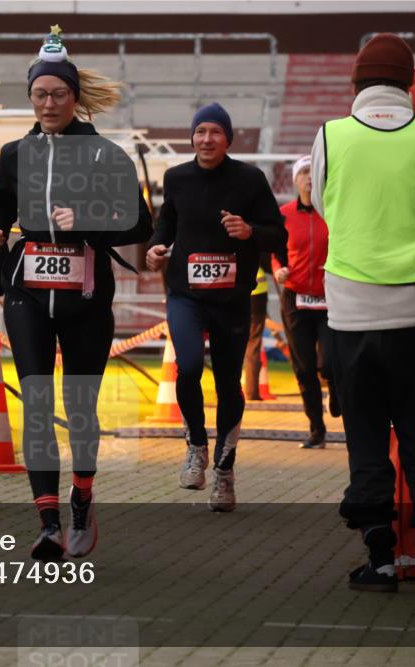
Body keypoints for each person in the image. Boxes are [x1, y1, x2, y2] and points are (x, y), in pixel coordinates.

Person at [0, 26, 152, 560]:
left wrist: (89, 218)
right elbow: (0, 203)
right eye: (40, 94)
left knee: (79, 407)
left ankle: (82, 497)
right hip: (28, 290)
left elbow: (140, 221)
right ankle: (48, 520)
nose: (49, 102)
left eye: (58, 93)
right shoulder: (14, 153)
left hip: (85, 296)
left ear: (75, 98)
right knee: (35, 404)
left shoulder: (105, 154)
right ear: (30, 98)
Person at [310, 33, 415, 593]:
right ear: (410, 83)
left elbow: (318, 199)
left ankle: (380, 558)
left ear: (356, 83)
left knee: (365, 437)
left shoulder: (331, 135)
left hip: (353, 316)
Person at [147, 102, 287, 512]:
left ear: (228, 138)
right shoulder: (177, 178)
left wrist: (249, 231)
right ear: (192, 137)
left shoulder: (249, 179)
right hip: (186, 295)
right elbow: (164, 225)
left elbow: (277, 234)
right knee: (187, 367)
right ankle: (195, 445)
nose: (206, 139)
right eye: (200, 131)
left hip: (231, 298)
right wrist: (157, 248)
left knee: (229, 384)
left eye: (215, 132)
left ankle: (224, 472)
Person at [272, 154, 339, 449]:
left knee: (330, 362)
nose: (309, 178)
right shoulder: (284, 214)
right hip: (296, 297)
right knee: (304, 367)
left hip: (330, 298)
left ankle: (336, 389)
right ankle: (316, 429)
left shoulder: (335, 211)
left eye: (314, 172)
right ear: (296, 180)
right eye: (304, 173)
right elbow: (275, 252)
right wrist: (279, 270)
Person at [242, 262, 271, 401]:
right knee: (253, 346)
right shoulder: (258, 259)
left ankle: (227, 392)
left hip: (240, 301)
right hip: (257, 305)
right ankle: (251, 392)